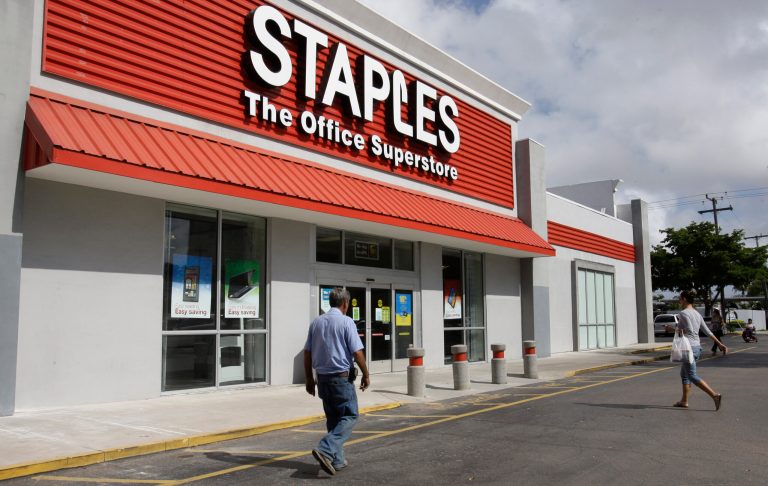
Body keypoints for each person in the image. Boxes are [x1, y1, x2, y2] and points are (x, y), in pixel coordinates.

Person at [304, 287, 370, 475]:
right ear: (345, 304)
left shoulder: (316, 322)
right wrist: (366, 374)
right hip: (340, 379)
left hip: (322, 380)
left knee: (334, 419)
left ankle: (337, 460)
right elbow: (357, 352)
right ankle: (325, 449)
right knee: (350, 416)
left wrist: (309, 379)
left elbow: (307, 353)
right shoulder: (346, 322)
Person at [673, 290, 727, 410]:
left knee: (692, 375)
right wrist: (719, 344)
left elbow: (688, 330)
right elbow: (707, 331)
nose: (679, 300)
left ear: (685, 299)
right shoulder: (697, 314)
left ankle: (715, 395)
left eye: (680, 298)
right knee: (684, 374)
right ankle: (684, 401)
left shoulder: (683, 313)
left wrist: (671, 329)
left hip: (689, 348)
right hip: (696, 347)